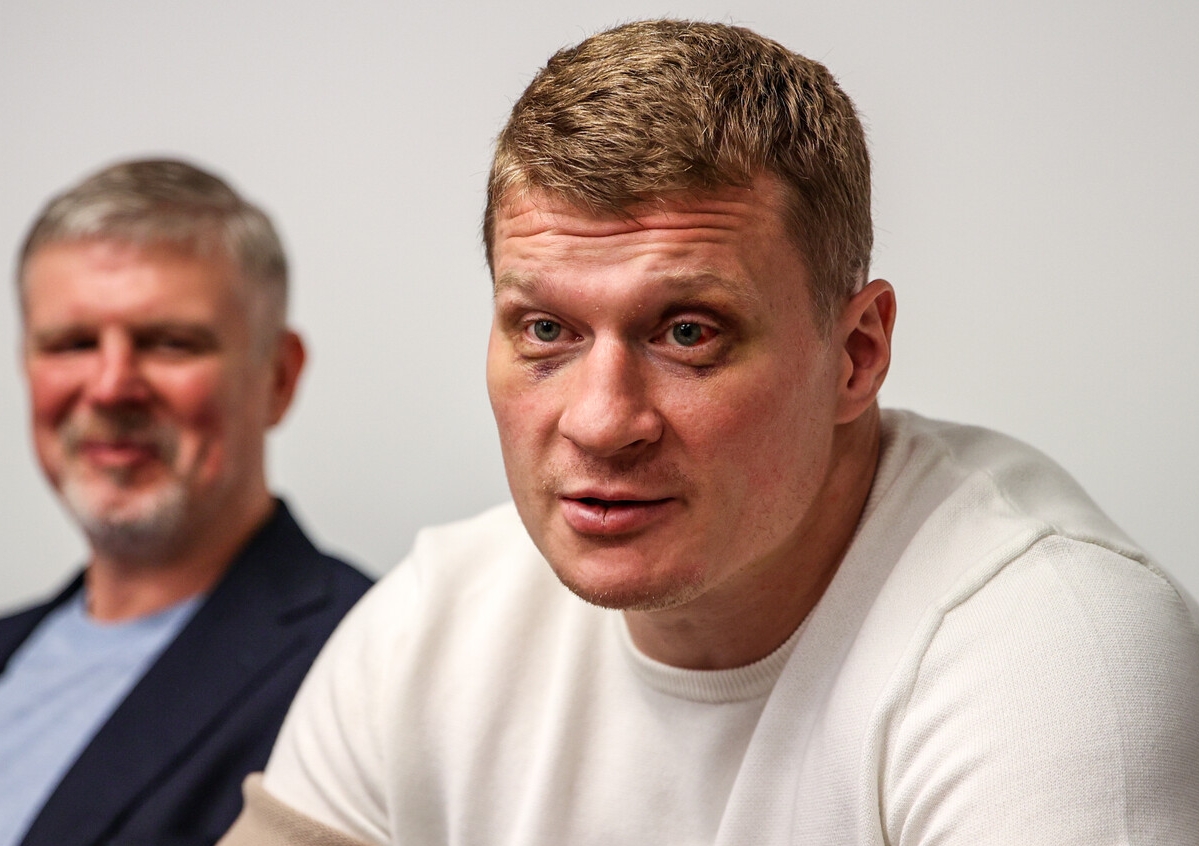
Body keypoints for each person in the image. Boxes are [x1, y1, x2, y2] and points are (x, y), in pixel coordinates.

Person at [222, 20, 1199, 845]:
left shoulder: (1052, 651)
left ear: (855, 355)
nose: (601, 422)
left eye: (688, 333)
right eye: (546, 331)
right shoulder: (431, 626)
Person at [0, 158, 372, 846]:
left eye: (169, 343)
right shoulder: (10, 645)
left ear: (278, 377)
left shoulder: (363, 666)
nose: (110, 387)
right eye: (72, 344)